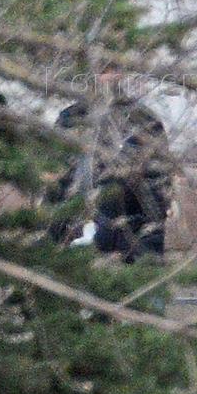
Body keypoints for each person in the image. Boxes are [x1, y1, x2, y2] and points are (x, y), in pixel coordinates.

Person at [47, 69, 170, 262]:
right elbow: (55, 186)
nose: (107, 76)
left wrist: (143, 252)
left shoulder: (144, 121)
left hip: (128, 248)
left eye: (113, 68)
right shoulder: (70, 119)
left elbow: (157, 195)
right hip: (73, 248)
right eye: (101, 69)